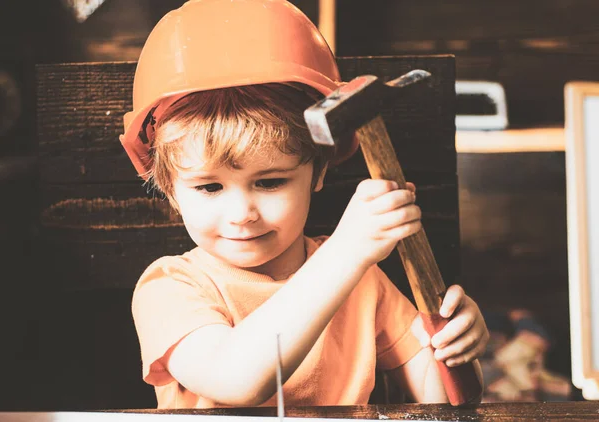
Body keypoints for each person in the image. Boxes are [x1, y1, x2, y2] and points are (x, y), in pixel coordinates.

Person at [119, 0, 489, 409]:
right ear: (171, 190)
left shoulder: (361, 281)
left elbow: (442, 400)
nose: (242, 213)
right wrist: (346, 253)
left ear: (318, 173)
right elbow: (236, 380)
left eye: (271, 181)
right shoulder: (171, 288)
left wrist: (456, 347)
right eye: (209, 188)